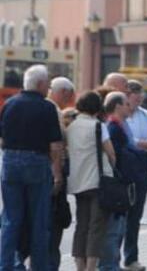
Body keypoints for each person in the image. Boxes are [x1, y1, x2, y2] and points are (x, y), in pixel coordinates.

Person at [0, 65, 64, 270]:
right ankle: (39, 266)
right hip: (36, 163)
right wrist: (57, 174)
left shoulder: (9, 104)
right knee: (39, 220)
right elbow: (55, 146)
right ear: (41, 84)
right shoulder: (46, 107)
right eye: (48, 83)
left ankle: (5, 264)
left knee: (11, 219)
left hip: (10, 163)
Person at [66, 91, 116, 271]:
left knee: (81, 225)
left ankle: (79, 266)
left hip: (78, 182)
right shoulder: (98, 126)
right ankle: (91, 267)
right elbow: (110, 152)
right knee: (97, 226)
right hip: (97, 182)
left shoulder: (71, 126)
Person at [101, 91, 147, 271]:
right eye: (126, 104)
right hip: (117, 182)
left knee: (119, 227)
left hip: (124, 181)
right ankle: (108, 264)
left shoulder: (120, 125)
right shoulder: (113, 126)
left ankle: (112, 263)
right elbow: (116, 155)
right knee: (114, 228)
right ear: (118, 106)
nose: (130, 107)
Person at [123, 80, 147, 271]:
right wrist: (141, 144)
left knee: (135, 216)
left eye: (139, 95)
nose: (137, 98)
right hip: (123, 169)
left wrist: (136, 143)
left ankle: (130, 259)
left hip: (142, 169)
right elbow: (124, 143)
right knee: (119, 216)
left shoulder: (146, 115)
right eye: (133, 95)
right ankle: (110, 258)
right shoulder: (119, 116)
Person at [47, 76, 76, 270]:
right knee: (54, 222)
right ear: (64, 92)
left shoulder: (49, 107)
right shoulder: (54, 111)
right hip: (52, 173)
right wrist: (58, 175)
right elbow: (56, 145)